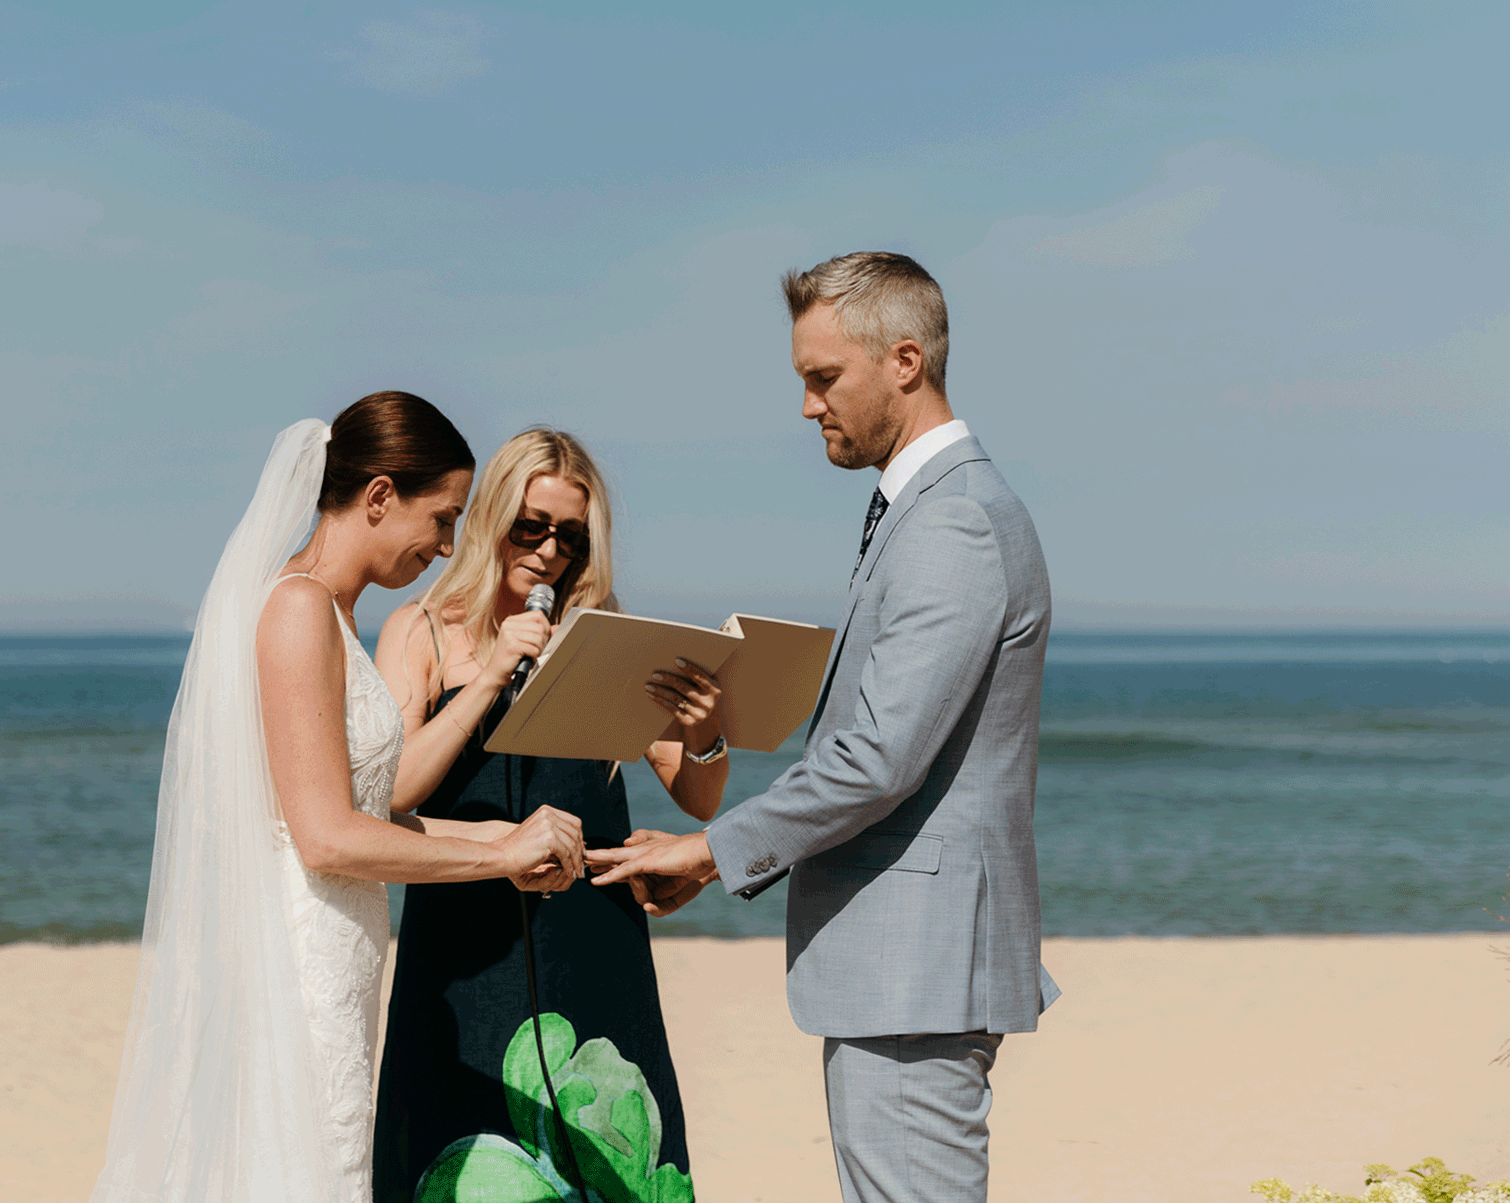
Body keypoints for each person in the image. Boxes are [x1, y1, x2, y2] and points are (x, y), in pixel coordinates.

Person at [590, 253, 1062, 1203]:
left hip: (914, 969)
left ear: (904, 361)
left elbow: (877, 759)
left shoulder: (953, 523)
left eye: (823, 378)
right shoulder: (934, 509)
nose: (808, 406)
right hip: (912, 967)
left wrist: (712, 850)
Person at [92, 393, 586, 1203]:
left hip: (341, 953)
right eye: (442, 517)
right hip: (297, 960)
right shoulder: (296, 610)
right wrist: (496, 854)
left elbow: (359, 804)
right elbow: (323, 836)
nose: (448, 544)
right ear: (381, 496)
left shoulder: (333, 614)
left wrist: (500, 834)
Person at [370, 428, 726, 1203]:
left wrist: (705, 732)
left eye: (570, 535)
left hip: (598, 945)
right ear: (491, 517)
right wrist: (495, 668)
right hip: (465, 947)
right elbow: (395, 788)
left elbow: (698, 797)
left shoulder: (605, 640)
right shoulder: (421, 629)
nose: (550, 551)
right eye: (531, 526)